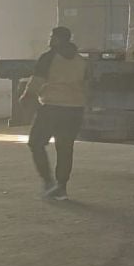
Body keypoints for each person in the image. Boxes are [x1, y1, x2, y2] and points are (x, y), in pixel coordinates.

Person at [20, 27, 88, 200]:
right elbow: (87, 85)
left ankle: (48, 181)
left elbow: (37, 82)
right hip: (75, 109)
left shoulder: (49, 57)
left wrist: (25, 97)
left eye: (51, 36)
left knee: (35, 143)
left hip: (52, 108)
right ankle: (61, 187)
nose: (49, 39)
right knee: (65, 148)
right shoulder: (81, 60)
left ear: (58, 39)